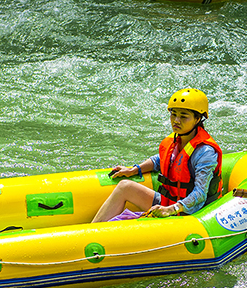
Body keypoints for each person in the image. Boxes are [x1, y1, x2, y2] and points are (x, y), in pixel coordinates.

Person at [92, 88, 223, 222]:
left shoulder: (205, 152)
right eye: (174, 114)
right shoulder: (177, 141)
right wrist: (134, 170)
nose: (176, 121)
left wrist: (171, 209)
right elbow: (160, 160)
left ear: (197, 119)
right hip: (170, 202)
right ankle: (92, 232)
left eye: (184, 116)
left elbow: (200, 194)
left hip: (193, 213)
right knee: (125, 186)